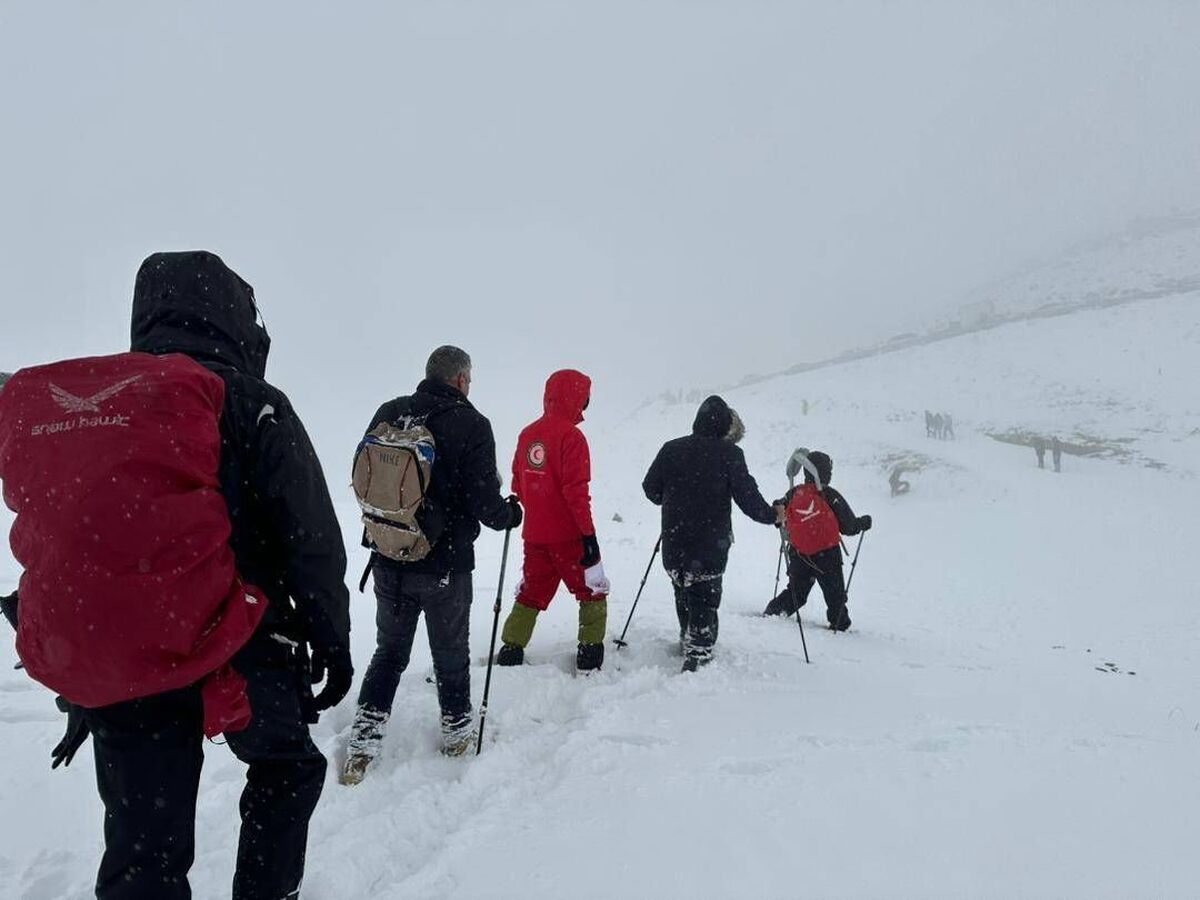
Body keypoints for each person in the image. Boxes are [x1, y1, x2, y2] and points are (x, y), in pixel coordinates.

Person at [0, 250, 352, 900]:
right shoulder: (250, 400)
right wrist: (331, 640)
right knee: (286, 768)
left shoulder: (116, 406)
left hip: (124, 658)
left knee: (142, 846)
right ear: (236, 319)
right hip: (242, 644)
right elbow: (312, 538)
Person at [343, 346, 521, 782]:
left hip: (388, 555)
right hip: (444, 564)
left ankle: (362, 746)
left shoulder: (392, 411)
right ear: (460, 379)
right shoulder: (472, 424)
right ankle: (458, 735)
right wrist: (509, 513)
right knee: (450, 654)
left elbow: (363, 474)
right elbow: (484, 503)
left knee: (388, 652)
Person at [643, 396, 781, 672]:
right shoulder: (730, 454)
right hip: (709, 543)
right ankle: (699, 650)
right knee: (704, 593)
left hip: (675, 538)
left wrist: (672, 498)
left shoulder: (671, 449)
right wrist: (773, 514)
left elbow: (650, 488)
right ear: (725, 426)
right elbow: (749, 499)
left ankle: (688, 636)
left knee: (682, 586)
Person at [495, 369, 608, 672]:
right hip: (569, 536)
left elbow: (519, 484)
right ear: (577, 398)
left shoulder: (527, 433)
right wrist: (588, 535)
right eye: (585, 398)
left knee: (532, 591)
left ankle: (511, 649)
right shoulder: (572, 437)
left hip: (535, 536)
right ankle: (590, 654)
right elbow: (576, 492)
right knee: (592, 589)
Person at [763, 450, 872, 631]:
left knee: (796, 592)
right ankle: (839, 623)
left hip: (799, 553)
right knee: (834, 594)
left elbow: (778, 512)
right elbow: (849, 526)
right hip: (827, 554)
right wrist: (863, 523)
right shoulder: (829, 495)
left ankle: (774, 612)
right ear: (826, 472)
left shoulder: (793, 493)